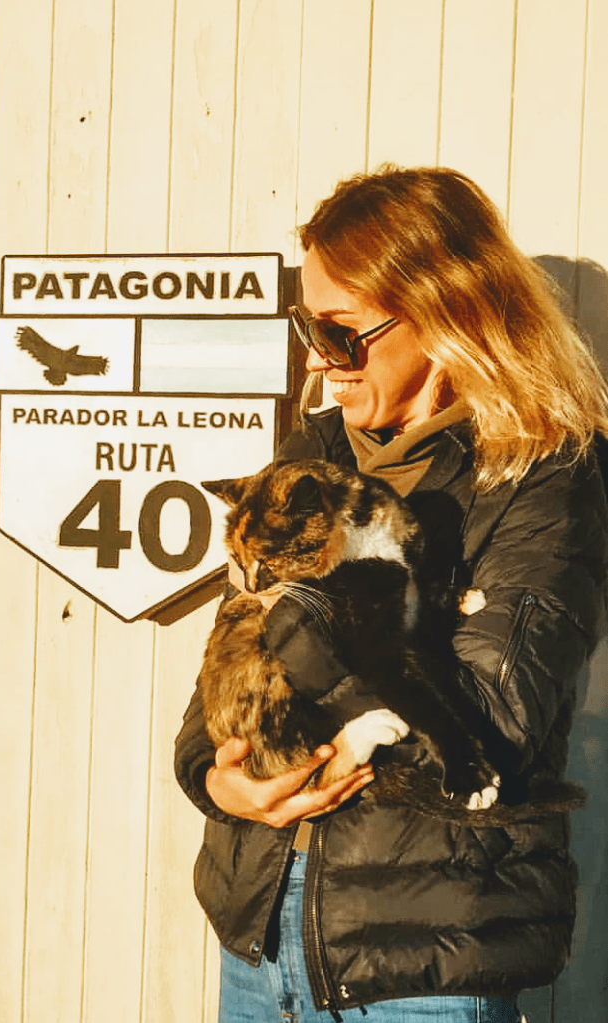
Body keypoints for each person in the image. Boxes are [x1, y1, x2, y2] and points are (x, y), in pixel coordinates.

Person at [174, 165, 608, 1023]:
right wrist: (218, 781)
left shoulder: (540, 476)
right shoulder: (314, 452)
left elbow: (493, 720)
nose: (315, 357)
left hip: (418, 968)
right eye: (306, 325)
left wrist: (302, 618)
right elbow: (226, 665)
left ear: (445, 314)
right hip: (258, 942)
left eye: (339, 333)